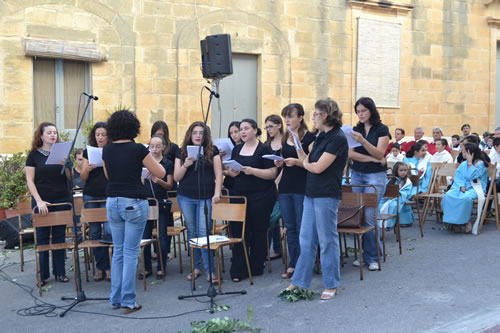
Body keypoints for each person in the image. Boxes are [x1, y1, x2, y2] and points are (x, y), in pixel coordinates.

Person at [284, 98, 348, 300]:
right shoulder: (320, 137)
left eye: (315, 114)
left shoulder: (337, 138)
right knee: (306, 239)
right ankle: (299, 281)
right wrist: (297, 145)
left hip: (327, 194)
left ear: (326, 115)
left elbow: (318, 167)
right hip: (311, 192)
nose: (312, 117)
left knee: (327, 240)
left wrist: (307, 164)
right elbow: (306, 160)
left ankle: (331, 284)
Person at [102, 110, 165, 314]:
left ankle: (115, 298)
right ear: (133, 127)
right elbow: (161, 172)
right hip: (134, 202)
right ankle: (128, 301)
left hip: (112, 201)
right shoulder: (138, 149)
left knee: (118, 251)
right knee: (130, 252)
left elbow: (108, 174)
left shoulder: (107, 150)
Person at [226, 119, 278, 281]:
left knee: (258, 231)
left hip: (261, 196)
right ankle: (239, 269)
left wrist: (253, 171)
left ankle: (256, 265)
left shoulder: (264, 148)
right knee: (238, 231)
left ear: (255, 131)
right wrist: (231, 172)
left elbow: (272, 173)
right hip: (240, 195)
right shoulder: (237, 149)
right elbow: (231, 170)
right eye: (241, 129)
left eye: (246, 128)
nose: (242, 132)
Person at [174, 121, 222, 284]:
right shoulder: (181, 152)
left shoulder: (212, 151)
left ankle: (211, 271)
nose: (197, 136)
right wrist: (186, 164)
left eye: (201, 133)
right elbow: (176, 177)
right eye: (195, 132)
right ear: (190, 134)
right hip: (186, 196)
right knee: (193, 233)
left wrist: (217, 193)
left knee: (204, 233)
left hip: (206, 197)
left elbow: (218, 173)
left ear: (205, 136)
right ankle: (196, 267)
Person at [25, 122, 72, 287]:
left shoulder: (63, 153)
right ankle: (42, 275)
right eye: (49, 132)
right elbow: (30, 180)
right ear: (41, 135)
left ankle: (60, 272)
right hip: (42, 200)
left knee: (59, 236)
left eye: (55, 132)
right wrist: (38, 201)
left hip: (61, 199)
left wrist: (66, 165)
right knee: (43, 238)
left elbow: (69, 178)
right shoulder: (34, 155)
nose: (53, 135)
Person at [348, 97, 390, 271]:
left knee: (369, 216)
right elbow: (350, 154)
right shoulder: (355, 129)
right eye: (358, 111)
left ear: (371, 110)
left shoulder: (382, 129)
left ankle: (372, 257)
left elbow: (380, 154)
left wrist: (363, 141)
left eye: (363, 110)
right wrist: (371, 159)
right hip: (357, 172)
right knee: (359, 214)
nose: (360, 114)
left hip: (375, 176)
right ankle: (369, 254)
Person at [275, 103, 316, 279]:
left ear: (300, 118)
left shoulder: (310, 137)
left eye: (290, 116)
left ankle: (303, 263)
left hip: (302, 186)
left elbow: (311, 163)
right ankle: (293, 262)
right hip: (285, 186)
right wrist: (280, 162)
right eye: (285, 117)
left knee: (302, 227)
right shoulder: (285, 138)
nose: (287, 120)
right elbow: (285, 159)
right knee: (289, 226)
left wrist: (296, 161)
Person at [80, 122, 111, 281]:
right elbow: (83, 178)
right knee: (94, 232)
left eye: (103, 134)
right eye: (97, 134)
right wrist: (87, 169)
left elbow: (112, 177)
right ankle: (101, 267)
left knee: (108, 231)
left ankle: (109, 267)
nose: (100, 137)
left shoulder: (111, 151)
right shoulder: (88, 151)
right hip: (91, 194)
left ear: (108, 136)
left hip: (107, 194)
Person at [141, 135, 174, 280]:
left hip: (161, 202)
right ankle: (147, 267)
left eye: (158, 146)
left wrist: (158, 180)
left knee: (162, 235)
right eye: (152, 146)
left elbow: (170, 185)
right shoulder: (144, 162)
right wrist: (142, 178)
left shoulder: (167, 163)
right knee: (145, 236)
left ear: (163, 147)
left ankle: (161, 266)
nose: (154, 149)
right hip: (146, 202)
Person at [442, 143, 487, 233]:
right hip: (460, 187)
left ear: (472, 153)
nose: (464, 154)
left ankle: (465, 222)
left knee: (464, 198)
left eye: (466, 152)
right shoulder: (463, 164)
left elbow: (473, 176)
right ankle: (456, 222)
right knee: (448, 196)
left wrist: (470, 164)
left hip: (475, 188)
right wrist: (461, 186)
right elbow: (458, 177)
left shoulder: (480, 164)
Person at [264, 114, 284, 261]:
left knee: (276, 217)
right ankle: (272, 249)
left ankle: (277, 248)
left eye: (270, 126)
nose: (268, 129)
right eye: (266, 127)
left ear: (279, 125)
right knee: (271, 219)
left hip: (282, 183)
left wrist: (278, 179)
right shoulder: (266, 145)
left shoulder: (285, 142)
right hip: (269, 185)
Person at [378, 162, 414, 228]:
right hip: (390, 197)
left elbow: (407, 192)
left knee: (393, 204)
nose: (403, 172)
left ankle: (391, 223)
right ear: (396, 171)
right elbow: (387, 189)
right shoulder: (391, 180)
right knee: (380, 203)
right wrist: (388, 195)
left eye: (405, 170)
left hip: (401, 197)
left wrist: (398, 194)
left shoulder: (407, 182)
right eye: (401, 170)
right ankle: (381, 222)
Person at [223, 121, 242, 193]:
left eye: (236, 132)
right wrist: (221, 157)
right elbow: (226, 168)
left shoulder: (246, 147)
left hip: (241, 184)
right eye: (231, 133)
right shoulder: (228, 148)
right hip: (229, 183)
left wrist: (225, 172)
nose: (234, 135)